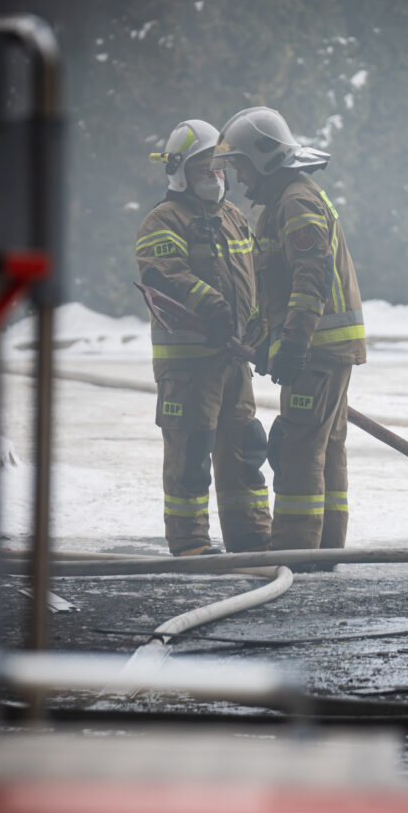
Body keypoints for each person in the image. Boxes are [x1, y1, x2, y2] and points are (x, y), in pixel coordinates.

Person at [213, 107, 366, 553]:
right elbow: (276, 292)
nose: (239, 179)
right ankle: (325, 547)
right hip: (323, 351)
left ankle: (295, 551)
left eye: (241, 166)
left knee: (298, 449)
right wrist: (265, 342)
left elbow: (309, 279)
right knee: (325, 448)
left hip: (315, 352)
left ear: (263, 160)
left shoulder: (295, 202)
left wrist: (295, 345)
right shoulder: (285, 201)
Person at [136, 119, 271, 556]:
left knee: (244, 450)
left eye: (218, 167)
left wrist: (259, 328)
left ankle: (251, 536)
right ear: (180, 171)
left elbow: (253, 278)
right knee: (191, 454)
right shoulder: (164, 220)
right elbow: (165, 273)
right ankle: (190, 542)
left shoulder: (233, 217)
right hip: (189, 367)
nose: (214, 175)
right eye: (203, 168)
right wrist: (212, 306)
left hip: (234, 361)